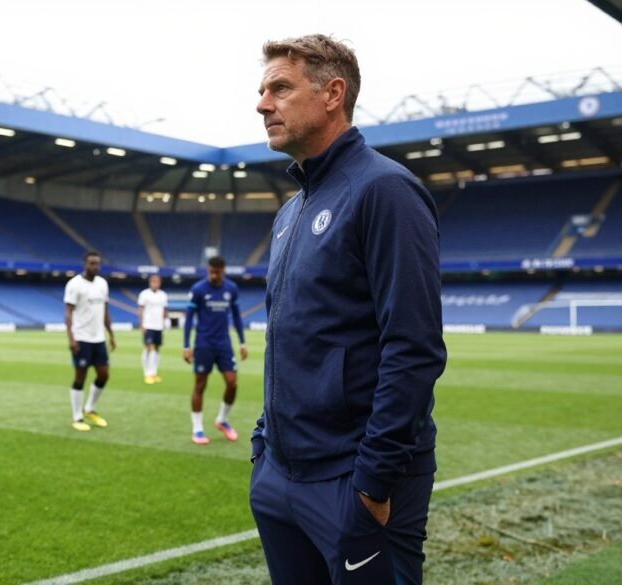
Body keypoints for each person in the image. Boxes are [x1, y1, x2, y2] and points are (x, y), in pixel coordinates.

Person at [249, 35, 446, 585]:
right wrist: (264, 449)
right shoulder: (291, 212)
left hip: (353, 481)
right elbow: (287, 338)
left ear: (333, 93)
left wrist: (373, 484)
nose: (263, 103)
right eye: (262, 90)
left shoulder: (385, 191)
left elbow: (415, 349)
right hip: (281, 477)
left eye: (280, 88)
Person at [183, 256, 247, 445]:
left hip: (224, 344)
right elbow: (188, 319)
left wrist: (242, 343)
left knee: (232, 383)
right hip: (203, 344)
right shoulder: (198, 289)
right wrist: (186, 346)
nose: (213, 275)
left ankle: (221, 420)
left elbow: (236, 317)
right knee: (200, 385)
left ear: (223, 270)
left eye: (216, 272)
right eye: (210, 271)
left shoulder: (231, 289)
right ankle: (197, 429)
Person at [63, 251, 116, 431]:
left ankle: (90, 408)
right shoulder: (74, 285)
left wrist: (111, 334)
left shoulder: (102, 284)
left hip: (98, 338)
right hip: (82, 338)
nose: (95, 267)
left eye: (97, 264)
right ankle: (77, 417)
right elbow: (68, 312)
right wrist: (71, 338)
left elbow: (105, 310)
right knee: (80, 376)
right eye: (92, 263)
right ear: (85, 264)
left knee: (104, 374)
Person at [137, 274, 169, 384]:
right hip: (148, 325)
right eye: (153, 281)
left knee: (157, 348)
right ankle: (147, 373)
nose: (155, 283)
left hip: (158, 325)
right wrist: (141, 324)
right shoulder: (144, 294)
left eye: (157, 281)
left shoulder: (163, 295)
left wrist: (165, 321)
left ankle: (154, 372)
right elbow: (141, 310)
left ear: (160, 283)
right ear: (150, 282)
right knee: (148, 348)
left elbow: (164, 310)